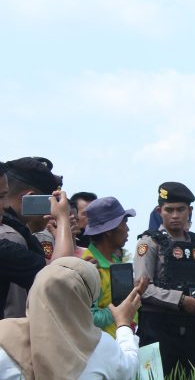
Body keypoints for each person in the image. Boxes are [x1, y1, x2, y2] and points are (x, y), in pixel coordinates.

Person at [0, 257, 143, 380]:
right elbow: (129, 369)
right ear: (85, 300)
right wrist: (123, 324)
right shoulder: (100, 346)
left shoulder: (4, 336)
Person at [134, 182, 195, 378]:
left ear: (189, 210)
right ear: (159, 211)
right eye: (169, 210)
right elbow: (143, 288)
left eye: (181, 210)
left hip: (192, 329)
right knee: (152, 378)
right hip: (156, 328)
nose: (175, 216)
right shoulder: (149, 242)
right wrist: (180, 300)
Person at [1, 156, 73, 319]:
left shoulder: (17, 233)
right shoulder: (11, 236)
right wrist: (63, 220)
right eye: (50, 202)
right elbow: (58, 278)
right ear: (30, 198)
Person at [81, 197, 136, 336]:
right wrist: (123, 309)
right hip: (103, 351)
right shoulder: (89, 267)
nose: (128, 229)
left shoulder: (116, 262)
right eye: (124, 223)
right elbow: (89, 317)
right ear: (109, 231)